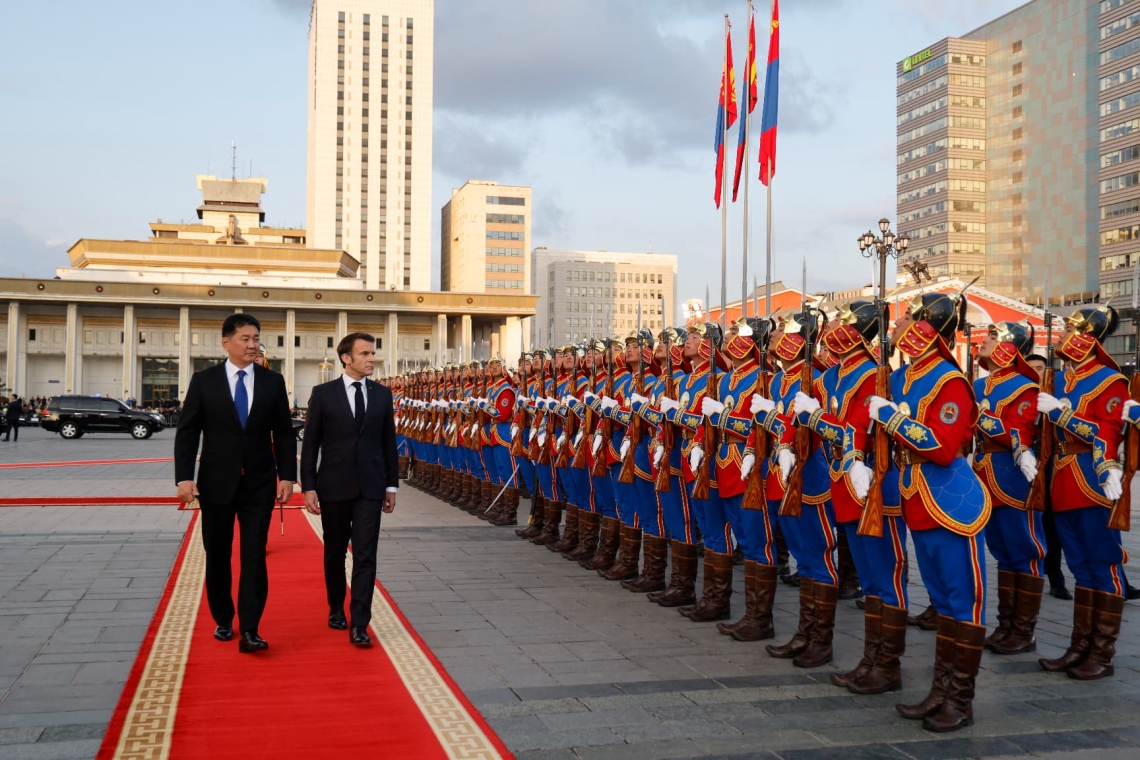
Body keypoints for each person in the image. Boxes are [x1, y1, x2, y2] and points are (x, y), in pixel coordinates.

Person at [869, 292, 989, 733]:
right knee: (940, 598)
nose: (897, 325)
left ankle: (960, 698)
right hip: (914, 494)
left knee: (961, 597)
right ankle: (940, 691)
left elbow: (942, 446)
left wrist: (894, 421)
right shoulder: (900, 378)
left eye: (906, 320)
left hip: (947, 496)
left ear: (924, 327)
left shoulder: (949, 381)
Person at [175, 314, 297, 654]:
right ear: (226, 342)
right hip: (215, 484)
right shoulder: (205, 381)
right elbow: (187, 433)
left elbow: (284, 434)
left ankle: (251, 628)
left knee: (255, 555)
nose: (252, 344)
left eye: (256, 338)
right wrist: (184, 477)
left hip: (259, 484)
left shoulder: (273, 382)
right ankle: (223, 618)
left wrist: (287, 475)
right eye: (245, 338)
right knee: (217, 554)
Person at [1040, 305, 1128, 681]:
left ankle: (1102, 653)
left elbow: (1106, 433)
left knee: (1103, 565)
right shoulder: (1061, 380)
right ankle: (1080, 646)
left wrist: (1062, 416)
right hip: (1062, 479)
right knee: (1079, 567)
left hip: (1093, 480)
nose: (1060, 336)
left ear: (1087, 336)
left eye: (1067, 330)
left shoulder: (1111, 381)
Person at [300, 332, 399, 648]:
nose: (372, 359)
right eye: (366, 353)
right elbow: (311, 442)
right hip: (334, 485)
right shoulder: (324, 393)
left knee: (366, 555)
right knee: (334, 552)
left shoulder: (382, 395)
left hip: (370, 486)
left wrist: (391, 484)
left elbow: (388, 444)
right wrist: (309, 487)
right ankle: (334, 606)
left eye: (373, 353)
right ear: (347, 358)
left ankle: (360, 623)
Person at [974, 323, 1045, 656]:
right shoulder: (978, 384)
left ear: (1009, 345)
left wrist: (981, 418)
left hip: (1014, 474)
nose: (984, 341)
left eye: (991, 337)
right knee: (1002, 551)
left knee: (1025, 550)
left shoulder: (1025, 386)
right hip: (985, 473)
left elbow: (1020, 435)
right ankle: (1006, 626)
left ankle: (1024, 630)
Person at [1025, 352, 1072, 601]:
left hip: (1059, 465)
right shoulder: (1022, 395)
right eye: (1031, 367)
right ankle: (1054, 579)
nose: (1036, 371)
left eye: (1040, 367)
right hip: (1033, 467)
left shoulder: (1055, 395)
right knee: (1046, 528)